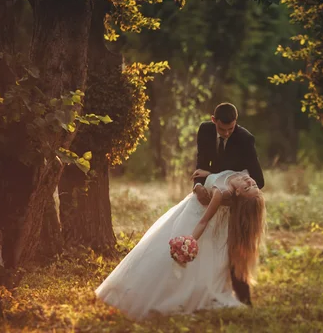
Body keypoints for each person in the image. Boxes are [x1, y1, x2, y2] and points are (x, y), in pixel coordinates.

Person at [95, 169, 265, 320]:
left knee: (199, 262)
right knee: (159, 246)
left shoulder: (222, 193)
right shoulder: (244, 174)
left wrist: (189, 240)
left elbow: (204, 221)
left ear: (237, 193)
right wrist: (208, 175)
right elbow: (223, 175)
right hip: (187, 208)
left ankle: (180, 294)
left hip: (200, 217)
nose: (250, 182)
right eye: (253, 184)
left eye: (248, 188)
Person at [193, 102, 264, 305]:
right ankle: (201, 291)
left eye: (230, 129)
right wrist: (198, 186)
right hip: (209, 192)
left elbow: (259, 180)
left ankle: (243, 299)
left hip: (233, 202)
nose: (226, 133)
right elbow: (201, 164)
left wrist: (215, 177)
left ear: (236, 122)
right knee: (204, 244)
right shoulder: (205, 130)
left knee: (233, 250)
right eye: (221, 129)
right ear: (213, 120)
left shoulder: (245, 139)